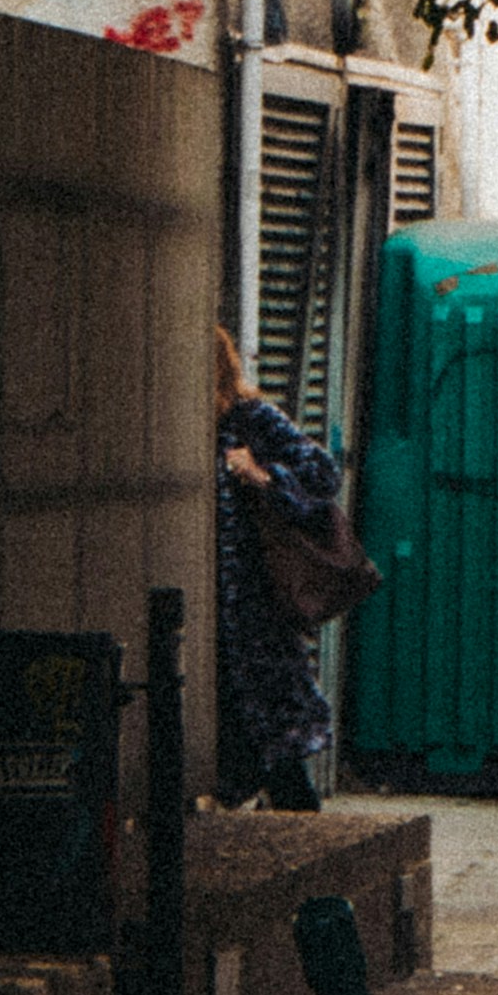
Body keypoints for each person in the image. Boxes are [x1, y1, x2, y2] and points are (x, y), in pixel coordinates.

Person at [212, 321, 345, 810]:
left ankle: (303, 840)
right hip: (214, 618)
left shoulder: (252, 419)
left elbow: (323, 474)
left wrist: (265, 475)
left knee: (274, 744)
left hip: (256, 614)